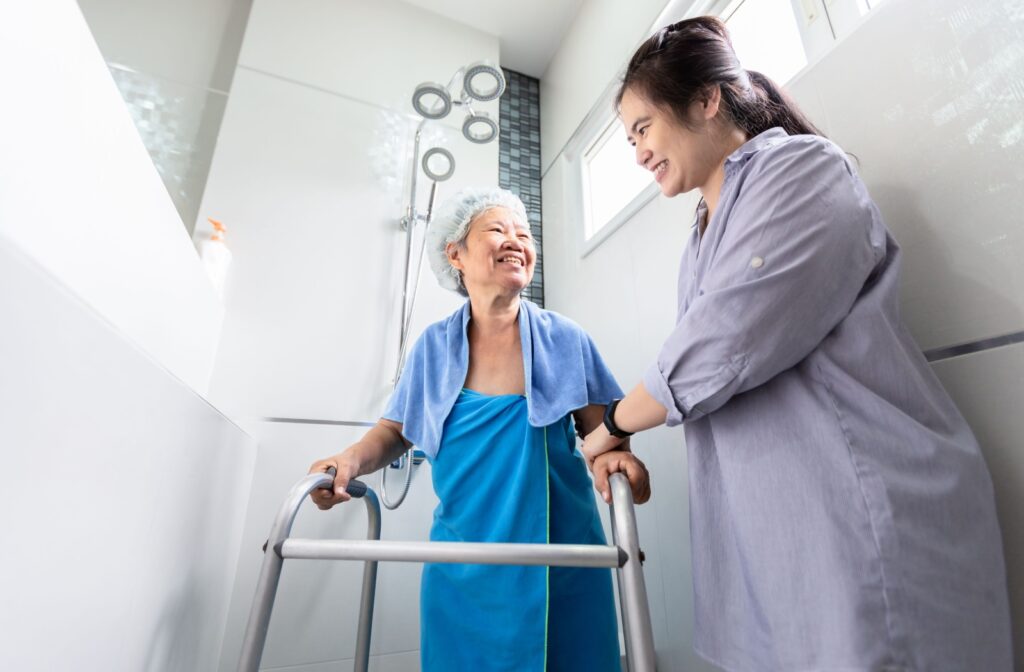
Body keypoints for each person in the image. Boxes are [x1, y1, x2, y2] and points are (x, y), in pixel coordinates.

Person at [581, 16, 1012, 672]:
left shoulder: (803, 169)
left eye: (642, 128)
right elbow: (706, 369)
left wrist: (612, 423)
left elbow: (727, 338)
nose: (637, 151)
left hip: (865, 518)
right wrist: (623, 436)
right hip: (781, 545)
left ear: (705, 100)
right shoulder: (700, 240)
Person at [310, 187, 651, 672]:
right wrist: (348, 461)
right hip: (464, 567)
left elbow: (606, 437)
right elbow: (395, 431)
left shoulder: (566, 339)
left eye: (524, 233)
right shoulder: (433, 346)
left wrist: (619, 461)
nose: (516, 240)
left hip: (564, 566)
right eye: (497, 230)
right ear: (456, 255)